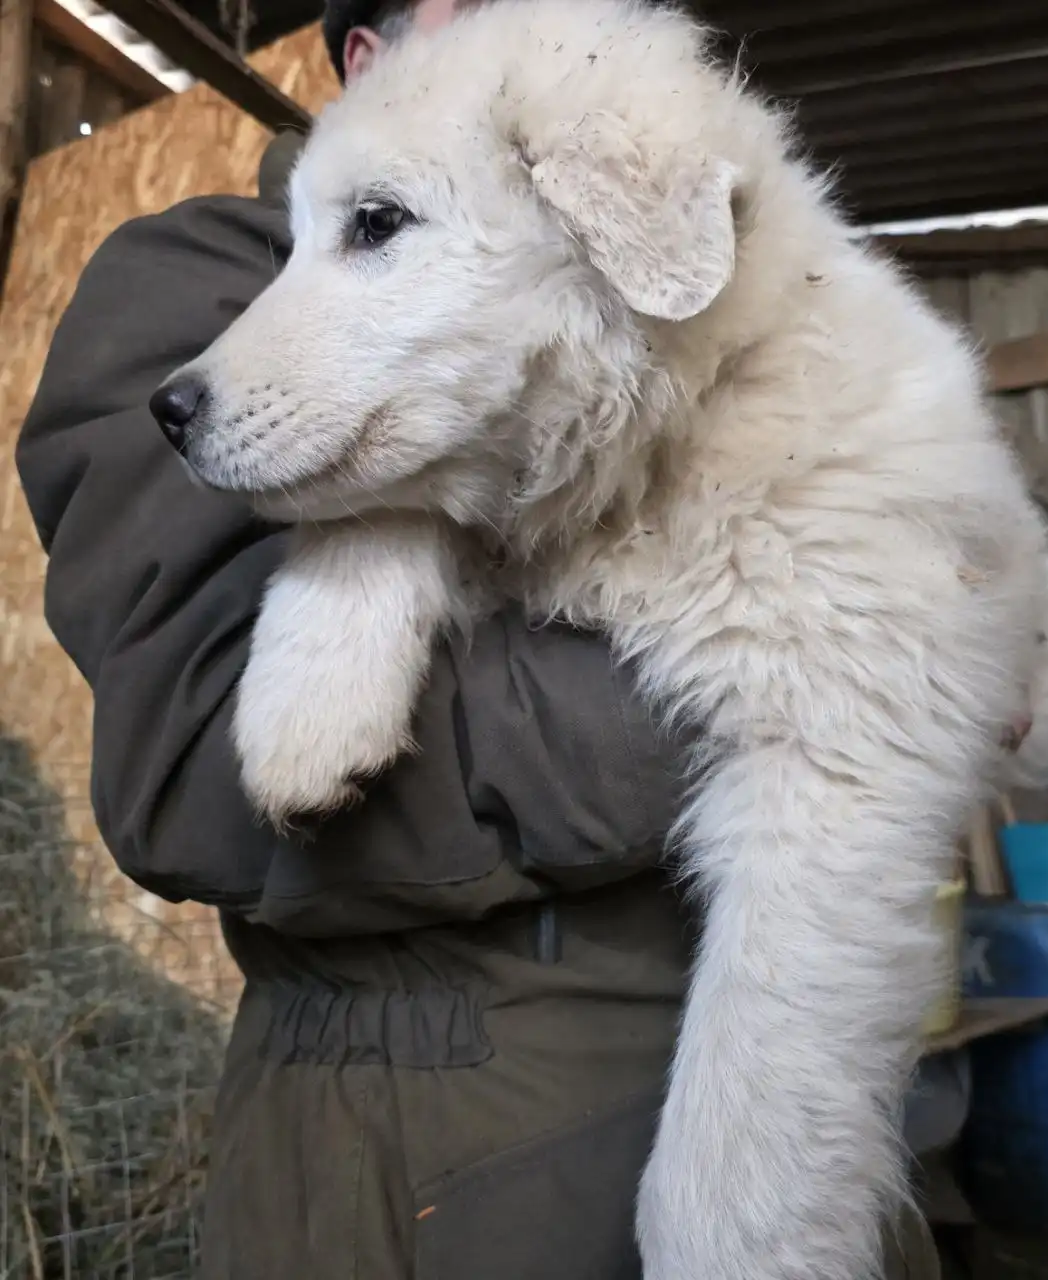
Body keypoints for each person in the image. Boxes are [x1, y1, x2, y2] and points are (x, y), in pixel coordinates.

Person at [17, 2, 952, 1276]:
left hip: (738, 1101)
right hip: (404, 1162)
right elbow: (193, 768)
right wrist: (802, 691)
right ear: (368, 59)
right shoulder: (180, 285)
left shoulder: (753, 301)